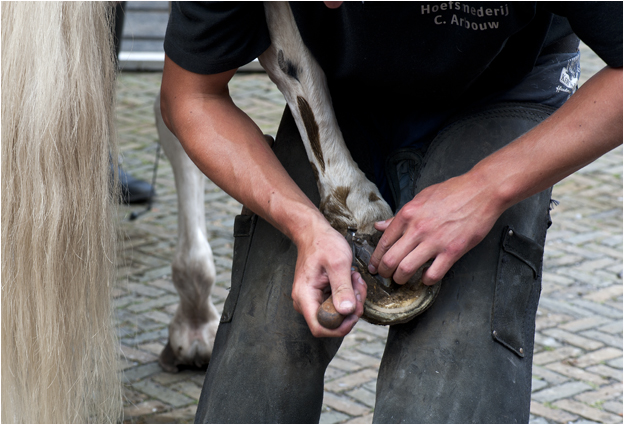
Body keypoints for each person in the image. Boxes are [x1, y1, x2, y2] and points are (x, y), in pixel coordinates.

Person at [160, 2, 622, 423]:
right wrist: (302, 224)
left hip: (502, 82)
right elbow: (192, 95)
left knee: (446, 384)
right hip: (337, 87)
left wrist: (487, 188)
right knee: (258, 368)